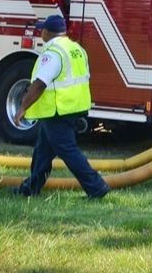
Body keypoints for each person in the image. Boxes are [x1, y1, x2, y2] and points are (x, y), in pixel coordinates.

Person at [11, 14, 110, 199]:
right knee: (43, 151)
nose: (41, 33)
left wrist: (23, 107)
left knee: (68, 150)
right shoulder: (76, 49)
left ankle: (96, 187)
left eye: (42, 30)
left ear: (47, 32)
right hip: (71, 108)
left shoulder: (53, 53)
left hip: (58, 110)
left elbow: (40, 84)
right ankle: (31, 188)